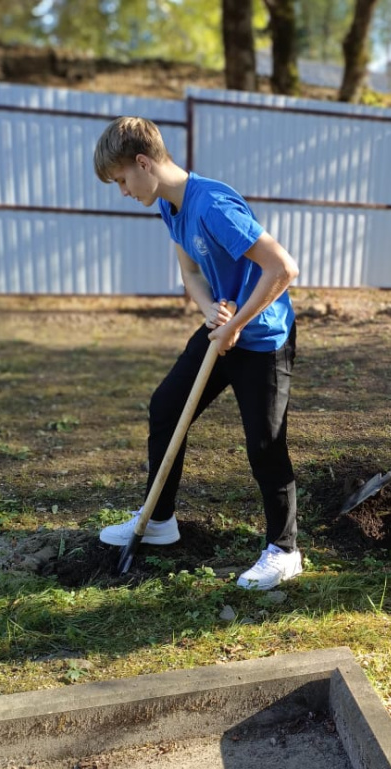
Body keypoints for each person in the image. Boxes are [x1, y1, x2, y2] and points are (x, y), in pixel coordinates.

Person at [93, 116, 302, 590]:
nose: (123, 191)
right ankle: (160, 519)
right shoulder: (169, 205)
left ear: (143, 163)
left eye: (122, 179)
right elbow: (191, 273)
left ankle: (285, 549)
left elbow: (283, 268)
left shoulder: (213, 207)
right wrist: (211, 312)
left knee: (265, 443)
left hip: (263, 337)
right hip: (224, 329)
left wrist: (238, 324)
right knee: (166, 406)